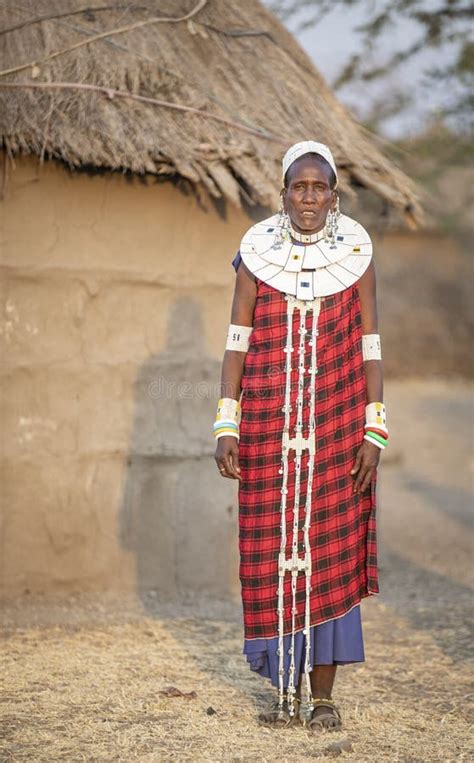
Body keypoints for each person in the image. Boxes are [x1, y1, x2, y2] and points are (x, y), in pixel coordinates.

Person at [214, 141, 386, 731]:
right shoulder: (255, 255)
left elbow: (369, 347)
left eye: (319, 188)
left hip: (338, 428)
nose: (308, 198)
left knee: (327, 557)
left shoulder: (357, 256)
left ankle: (323, 700)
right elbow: (237, 340)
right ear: (282, 194)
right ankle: (282, 695)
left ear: (333, 197)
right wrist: (226, 422)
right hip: (265, 429)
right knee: (270, 557)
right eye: (298, 188)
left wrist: (374, 428)